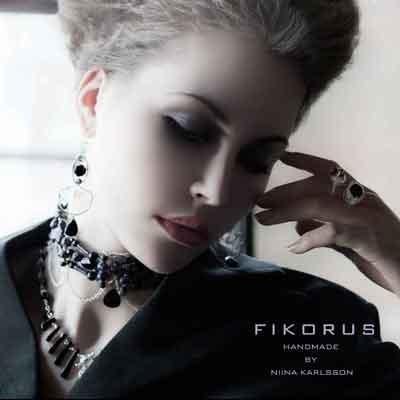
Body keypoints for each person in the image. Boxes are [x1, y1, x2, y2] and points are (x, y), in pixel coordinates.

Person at [1, 0, 400, 398]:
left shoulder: (304, 331)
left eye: (258, 159)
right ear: (93, 101)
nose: (217, 190)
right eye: (188, 129)